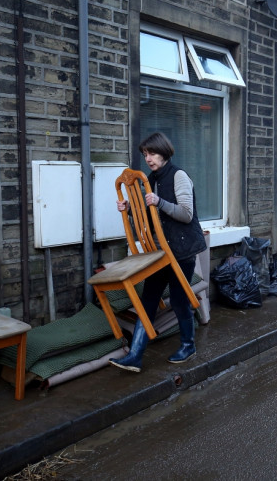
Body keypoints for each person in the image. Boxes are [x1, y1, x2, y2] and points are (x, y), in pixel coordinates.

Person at [109, 132, 207, 373]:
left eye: (151, 153)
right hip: (159, 251)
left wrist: (159, 201)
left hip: (182, 250)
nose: (148, 158)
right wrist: (130, 209)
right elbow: (151, 213)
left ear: (163, 151)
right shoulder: (150, 179)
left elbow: (186, 213)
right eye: (145, 155)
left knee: (178, 298)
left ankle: (188, 345)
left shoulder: (179, 176)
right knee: (149, 298)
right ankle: (135, 355)